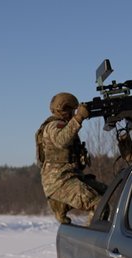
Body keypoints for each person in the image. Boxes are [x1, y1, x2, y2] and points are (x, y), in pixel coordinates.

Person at [35, 92, 107, 223]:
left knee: (106, 192)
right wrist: (79, 117)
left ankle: (61, 206)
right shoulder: (54, 125)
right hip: (60, 181)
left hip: (71, 177)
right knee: (100, 206)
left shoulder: (63, 125)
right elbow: (62, 140)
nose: (73, 113)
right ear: (63, 109)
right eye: (72, 110)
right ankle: (91, 236)